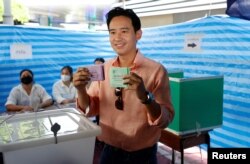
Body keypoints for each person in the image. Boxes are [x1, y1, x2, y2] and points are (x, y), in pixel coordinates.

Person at [73, 7, 174, 164]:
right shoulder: (104, 68)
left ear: (138, 34)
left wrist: (145, 97)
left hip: (143, 156)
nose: (117, 38)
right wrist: (80, 90)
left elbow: (165, 119)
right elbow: (90, 108)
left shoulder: (156, 71)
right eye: (112, 32)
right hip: (109, 152)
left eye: (124, 31)